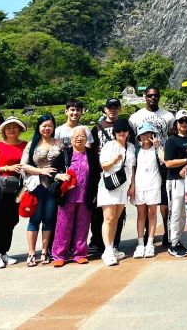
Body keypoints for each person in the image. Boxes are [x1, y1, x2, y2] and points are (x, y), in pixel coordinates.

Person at [129, 87, 175, 248]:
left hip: (161, 160)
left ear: (159, 97)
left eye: (156, 95)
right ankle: (146, 237)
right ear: (145, 97)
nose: (153, 98)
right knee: (144, 205)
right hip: (143, 160)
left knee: (163, 201)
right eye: (150, 95)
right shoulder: (135, 117)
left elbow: (171, 137)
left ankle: (167, 232)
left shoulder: (168, 116)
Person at [52, 126, 100, 266]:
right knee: (63, 226)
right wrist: (59, 175)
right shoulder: (65, 153)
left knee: (83, 225)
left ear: (86, 139)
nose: (79, 139)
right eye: (76, 137)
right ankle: (59, 255)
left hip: (85, 196)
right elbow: (53, 171)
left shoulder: (91, 154)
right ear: (71, 140)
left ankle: (80, 254)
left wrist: (94, 194)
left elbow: (96, 175)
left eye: (82, 136)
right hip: (67, 195)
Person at [0, 116, 28, 269]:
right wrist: (5, 168)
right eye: (8, 127)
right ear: (3, 130)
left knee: (10, 219)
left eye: (15, 127)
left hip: (16, 187)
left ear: (20, 129)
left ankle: (4, 252)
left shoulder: (25, 145)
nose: (11, 129)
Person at [20, 114, 62, 266]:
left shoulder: (59, 143)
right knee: (34, 219)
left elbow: (65, 162)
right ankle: (31, 253)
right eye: (44, 125)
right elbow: (23, 165)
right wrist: (41, 171)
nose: (47, 128)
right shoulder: (32, 145)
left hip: (53, 187)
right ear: (39, 127)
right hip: (36, 186)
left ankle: (45, 250)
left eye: (50, 125)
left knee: (49, 219)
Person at [89, 98, 127, 257]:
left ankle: (114, 243)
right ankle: (97, 241)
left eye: (116, 107)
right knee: (99, 210)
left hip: (120, 174)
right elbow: (91, 151)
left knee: (119, 211)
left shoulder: (125, 126)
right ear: (105, 109)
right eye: (110, 107)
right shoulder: (97, 128)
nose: (113, 110)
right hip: (101, 173)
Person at [97, 118, 135, 265]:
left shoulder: (131, 147)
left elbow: (131, 168)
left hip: (123, 187)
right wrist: (115, 160)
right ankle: (107, 251)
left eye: (124, 130)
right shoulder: (109, 146)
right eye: (118, 130)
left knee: (116, 219)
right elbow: (104, 166)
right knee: (109, 219)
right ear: (114, 133)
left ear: (128, 132)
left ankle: (112, 248)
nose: (122, 133)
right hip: (109, 187)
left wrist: (132, 186)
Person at [163, 110, 187, 258]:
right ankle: (172, 243)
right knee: (175, 212)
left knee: (183, 214)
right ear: (176, 123)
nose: (184, 123)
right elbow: (168, 163)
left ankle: (178, 240)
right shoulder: (172, 140)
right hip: (174, 180)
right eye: (181, 121)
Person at [132, 122, 162, 258]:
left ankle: (150, 243)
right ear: (139, 136)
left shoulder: (156, 149)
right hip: (139, 186)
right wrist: (132, 186)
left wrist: (158, 146)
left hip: (153, 185)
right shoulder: (135, 150)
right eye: (143, 134)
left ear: (152, 134)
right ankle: (140, 244)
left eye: (148, 133)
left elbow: (163, 159)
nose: (145, 136)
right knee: (140, 215)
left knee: (152, 214)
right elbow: (132, 169)